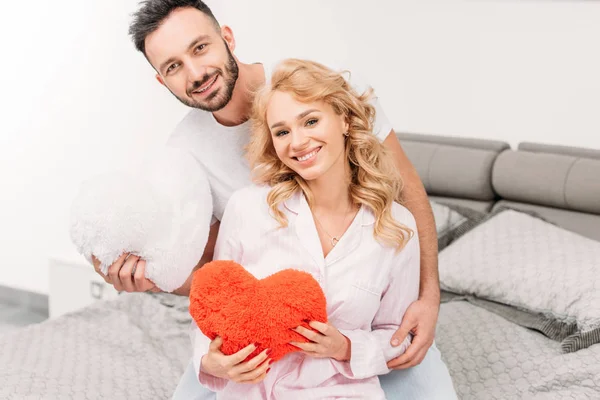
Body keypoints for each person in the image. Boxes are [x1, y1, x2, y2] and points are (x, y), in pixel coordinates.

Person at [92, 0, 457, 398]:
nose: (196, 73)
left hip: (356, 321)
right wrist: (154, 278)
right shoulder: (187, 157)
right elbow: (218, 272)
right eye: (173, 66)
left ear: (227, 38)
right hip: (263, 335)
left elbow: (405, 187)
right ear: (162, 81)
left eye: (200, 48)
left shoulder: (318, 84)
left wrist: (429, 296)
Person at [192, 58, 420, 399]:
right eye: (282, 131)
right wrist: (211, 363)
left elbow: (396, 335)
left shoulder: (397, 227)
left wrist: (345, 347)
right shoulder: (247, 209)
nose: (297, 142)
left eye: (310, 121)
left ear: (343, 119)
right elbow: (213, 307)